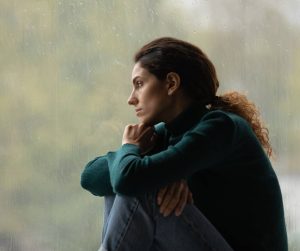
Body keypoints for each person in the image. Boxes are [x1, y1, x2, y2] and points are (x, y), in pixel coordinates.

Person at [81, 37, 288, 251]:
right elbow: (89, 177)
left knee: (140, 186)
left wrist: (131, 152)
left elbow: (130, 180)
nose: (131, 99)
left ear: (171, 83)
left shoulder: (221, 127)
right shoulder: (162, 135)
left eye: (139, 84)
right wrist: (134, 151)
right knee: (121, 183)